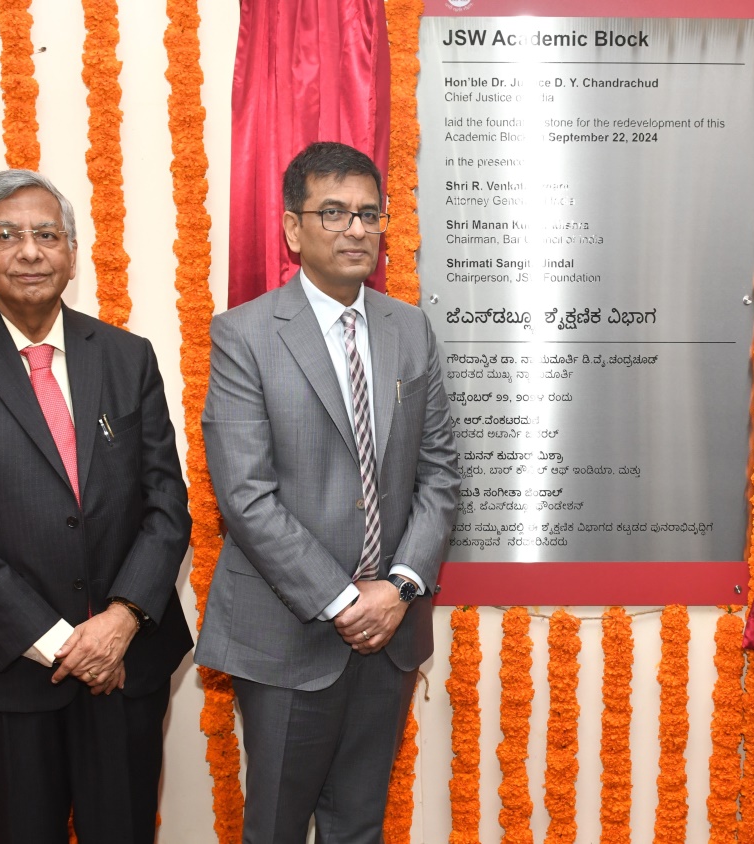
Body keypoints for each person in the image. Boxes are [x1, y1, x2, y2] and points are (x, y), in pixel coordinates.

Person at [196, 141, 461, 842]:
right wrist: (347, 601)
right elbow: (245, 496)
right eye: (334, 212)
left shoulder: (410, 328)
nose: (355, 229)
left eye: (368, 214)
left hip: (390, 633)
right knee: (276, 827)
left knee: (359, 826)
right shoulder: (244, 335)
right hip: (289, 633)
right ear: (292, 229)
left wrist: (397, 588)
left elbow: (439, 471)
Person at [0, 170, 193, 843]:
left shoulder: (126, 356)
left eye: (46, 234)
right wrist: (64, 644)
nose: (30, 251)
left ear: (72, 252)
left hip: (124, 666)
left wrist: (120, 620)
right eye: (7, 236)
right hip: (7, 680)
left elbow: (166, 501)